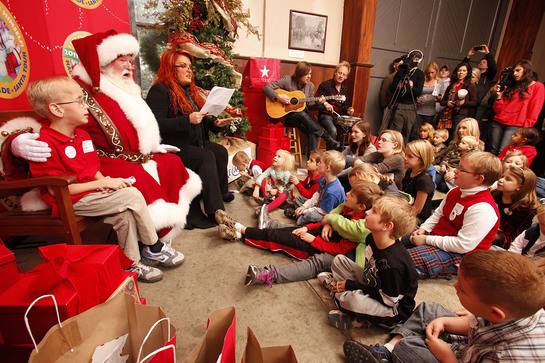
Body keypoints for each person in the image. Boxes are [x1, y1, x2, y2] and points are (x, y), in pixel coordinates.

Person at [1, 30, 201, 243]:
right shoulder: (79, 89)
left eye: (131, 60)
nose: (130, 66)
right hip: (100, 159)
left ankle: (168, 229)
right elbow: (50, 124)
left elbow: (137, 125)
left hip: (131, 155)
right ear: (103, 62)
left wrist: (152, 146)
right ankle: (151, 240)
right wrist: (14, 142)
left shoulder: (122, 86)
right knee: (138, 177)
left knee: (171, 162)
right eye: (122, 60)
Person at [26, 76, 184, 283]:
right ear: (57, 110)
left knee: (125, 213)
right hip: (69, 200)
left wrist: (108, 183)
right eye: (80, 101)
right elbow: (58, 190)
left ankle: (131, 263)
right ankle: (153, 247)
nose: (87, 107)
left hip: (91, 193)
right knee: (132, 195)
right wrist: (103, 184)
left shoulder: (82, 136)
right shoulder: (45, 144)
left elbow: (94, 170)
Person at [344, 250, 545, 363]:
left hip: (461, 358)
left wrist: (447, 357)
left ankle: (396, 350)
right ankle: (386, 351)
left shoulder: (509, 357)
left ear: (495, 312)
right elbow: (480, 324)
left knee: (407, 349)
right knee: (429, 310)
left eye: (463, 289)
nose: (455, 286)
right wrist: (445, 322)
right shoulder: (512, 311)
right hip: (471, 345)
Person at [146, 49, 235, 229]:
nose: (189, 71)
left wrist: (214, 124)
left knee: (219, 151)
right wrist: (186, 120)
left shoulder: (188, 91)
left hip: (192, 141)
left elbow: (198, 121)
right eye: (183, 66)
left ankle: (220, 191)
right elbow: (156, 124)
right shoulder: (160, 90)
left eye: (190, 67)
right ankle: (215, 211)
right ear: (171, 68)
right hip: (173, 145)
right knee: (206, 157)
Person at [242, 181, 382, 287]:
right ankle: (256, 228)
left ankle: (269, 274)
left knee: (315, 262)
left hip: (334, 251)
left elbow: (340, 245)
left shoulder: (362, 227)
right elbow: (332, 215)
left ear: (362, 207)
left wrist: (315, 238)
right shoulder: (348, 208)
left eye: (351, 194)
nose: (346, 194)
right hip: (323, 238)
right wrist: (314, 226)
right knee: (291, 232)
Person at [321, 195, 418, 330]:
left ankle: (367, 318)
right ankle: (344, 296)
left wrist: (352, 285)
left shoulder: (391, 264)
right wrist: (355, 286)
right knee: (339, 261)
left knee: (352, 301)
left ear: (387, 226)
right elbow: (370, 272)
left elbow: (389, 300)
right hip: (373, 284)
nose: (367, 212)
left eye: (374, 211)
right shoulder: (371, 238)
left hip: (393, 308)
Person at [403, 151, 502, 279]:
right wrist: (424, 229)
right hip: (438, 238)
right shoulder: (456, 191)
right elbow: (438, 214)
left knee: (402, 262)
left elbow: (462, 245)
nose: (454, 171)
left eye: (461, 170)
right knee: (393, 239)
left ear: (478, 179)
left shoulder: (483, 209)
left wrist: (426, 240)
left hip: (460, 254)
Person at [262, 61, 339, 154]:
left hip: (302, 119)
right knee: (301, 114)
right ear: (299, 73)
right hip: (286, 117)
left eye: (310, 73)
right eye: (306, 74)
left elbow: (310, 106)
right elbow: (266, 87)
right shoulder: (287, 80)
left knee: (313, 132)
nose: (309, 76)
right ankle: (326, 137)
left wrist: (319, 104)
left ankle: (311, 163)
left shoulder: (310, 86)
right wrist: (279, 96)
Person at [490, 60, 545, 154]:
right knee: (492, 151)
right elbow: (497, 109)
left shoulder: (537, 86)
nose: (515, 74)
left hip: (515, 126)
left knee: (503, 152)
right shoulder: (511, 86)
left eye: (518, 70)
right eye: (513, 71)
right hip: (498, 121)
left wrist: (525, 129)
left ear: (526, 70)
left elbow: (535, 110)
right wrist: (499, 96)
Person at [283, 150, 346, 226]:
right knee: (298, 199)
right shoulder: (324, 179)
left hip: (327, 213)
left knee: (312, 216)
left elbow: (323, 212)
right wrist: (304, 206)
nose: (318, 164)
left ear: (327, 168)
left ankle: (299, 218)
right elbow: (315, 197)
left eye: (320, 162)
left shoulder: (332, 192)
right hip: (319, 205)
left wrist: (304, 211)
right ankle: (300, 214)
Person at [491, 166, 540, 249]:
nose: (501, 180)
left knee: (490, 236)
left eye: (508, 179)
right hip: (491, 227)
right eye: (503, 176)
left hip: (509, 239)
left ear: (519, 187)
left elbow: (514, 234)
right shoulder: (495, 194)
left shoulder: (525, 208)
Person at [381, 51, 425, 141]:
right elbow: (392, 89)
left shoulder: (420, 74)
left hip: (411, 106)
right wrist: (398, 86)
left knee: (407, 131)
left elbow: (418, 92)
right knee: (396, 131)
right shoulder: (400, 72)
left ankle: (403, 150)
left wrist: (411, 87)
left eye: (416, 59)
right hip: (399, 105)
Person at [438, 62, 477, 142]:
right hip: (447, 115)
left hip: (460, 114)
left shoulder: (470, 85)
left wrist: (463, 103)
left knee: (454, 136)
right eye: (459, 70)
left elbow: (474, 102)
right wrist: (447, 103)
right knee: (444, 137)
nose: (461, 72)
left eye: (463, 71)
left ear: (467, 73)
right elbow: (442, 101)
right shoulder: (452, 85)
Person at [315, 61, 355, 140]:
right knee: (333, 130)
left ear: (346, 77)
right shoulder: (325, 85)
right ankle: (330, 152)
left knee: (355, 128)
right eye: (340, 73)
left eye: (344, 74)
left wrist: (348, 110)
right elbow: (316, 98)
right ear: (335, 73)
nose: (341, 76)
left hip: (338, 117)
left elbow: (345, 106)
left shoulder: (344, 89)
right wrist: (325, 103)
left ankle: (351, 151)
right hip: (325, 116)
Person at [252, 149, 295, 213]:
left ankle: (265, 209)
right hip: (272, 192)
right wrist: (257, 188)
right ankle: (269, 200)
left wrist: (277, 191)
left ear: (285, 162)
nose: (275, 157)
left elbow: (288, 189)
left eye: (279, 156)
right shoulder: (271, 169)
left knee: (283, 195)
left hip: (284, 194)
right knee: (264, 180)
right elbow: (261, 176)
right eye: (275, 155)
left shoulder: (286, 174)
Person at [402, 140, 435, 222]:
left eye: (410, 156)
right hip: (406, 208)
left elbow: (417, 209)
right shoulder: (409, 171)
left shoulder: (424, 180)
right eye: (405, 154)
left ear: (421, 160)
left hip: (417, 218)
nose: (405, 158)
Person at [412, 62, 439, 140]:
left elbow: (440, 96)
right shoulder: (423, 80)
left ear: (436, 72)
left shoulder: (439, 82)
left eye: (432, 73)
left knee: (427, 131)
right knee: (415, 130)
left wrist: (437, 97)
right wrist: (417, 99)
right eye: (428, 73)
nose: (430, 75)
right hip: (419, 108)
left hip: (430, 110)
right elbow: (417, 91)